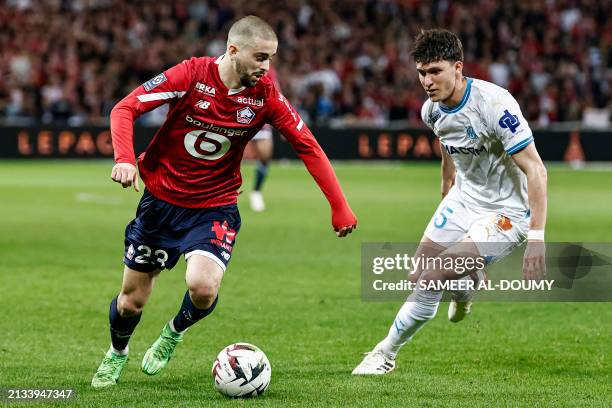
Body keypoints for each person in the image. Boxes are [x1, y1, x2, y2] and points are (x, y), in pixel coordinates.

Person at [91, 15, 357, 389]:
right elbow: (124, 108)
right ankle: (117, 353)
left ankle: (173, 332)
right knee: (130, 302)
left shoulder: (264, 95)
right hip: (160, 204)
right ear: (233, 51)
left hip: (215, 205)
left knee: (202, 287)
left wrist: (339, 205)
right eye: (260, 57)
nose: (266, 68)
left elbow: (307, 146)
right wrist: (123, 158)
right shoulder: (190, 75)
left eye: (270, 59)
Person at [352, 29, 547, 375]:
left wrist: (536, 238)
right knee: (418, 274)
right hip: (464, 198)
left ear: (458, 67)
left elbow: (535, 169)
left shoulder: (494, 104)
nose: (427, 81)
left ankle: (385, 354)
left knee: (433, 275)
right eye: (422, 73)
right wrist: (446, 190)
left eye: (435, 71)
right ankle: (466, 287)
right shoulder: (432, 111)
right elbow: (448, 145)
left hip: (507, 212)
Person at [248, 65, 278, 212]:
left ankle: (256, 192)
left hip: (259, 113)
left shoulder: (269, 69)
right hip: (235, 110)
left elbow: (275, 91)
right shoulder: (238, 63)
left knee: (265, 156)